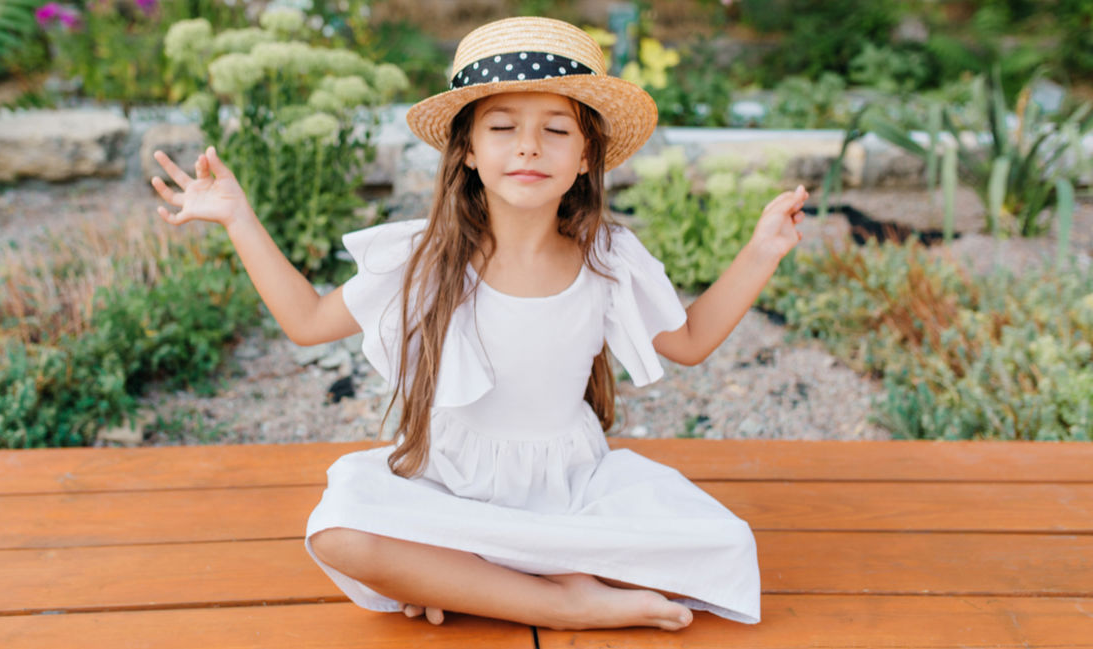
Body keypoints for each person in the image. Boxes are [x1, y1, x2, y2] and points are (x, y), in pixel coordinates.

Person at [150, 16, 808, 633]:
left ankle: (471, 580)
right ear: (466, 149)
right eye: (502, 127)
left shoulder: (607, 258)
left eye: (556, 128)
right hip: (448, 489)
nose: (529, 145)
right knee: (339, 532)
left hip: (570, 489)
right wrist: (239, 218)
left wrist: (760, 251)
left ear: (586, 157)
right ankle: (563, 601)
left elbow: (688, 342)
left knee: (725, 543)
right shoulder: (423, 255)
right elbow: (306, 320)